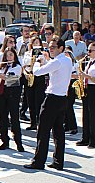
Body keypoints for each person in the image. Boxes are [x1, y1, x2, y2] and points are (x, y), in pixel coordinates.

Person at [24, 37, 73, 170]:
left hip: (52, 98)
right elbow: (53, 68)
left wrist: (37, 62)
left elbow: (37, 72)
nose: (50, 49)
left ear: (61, 48)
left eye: (53, 47)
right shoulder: (67, 60)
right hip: (62, 97)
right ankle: (58, 161)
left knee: (43, 131)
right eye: (49, 47)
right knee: (58, 131)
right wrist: (46, 61)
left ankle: (39, 161)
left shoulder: (57, 61)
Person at [0, 47, 24, 151]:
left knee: (14, 118)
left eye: (11, 55)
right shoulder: (2, 67)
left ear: (14, 56)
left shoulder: (17, 67)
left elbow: (7, 78)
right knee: (2, 117)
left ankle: (18, 142)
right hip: (1, 93)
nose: (9, 57)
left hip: (12, 93)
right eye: (7, 55)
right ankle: (5, 141)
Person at [77, 42, 95, 148]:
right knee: (85, 114)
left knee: (93, 114)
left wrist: (87, 76)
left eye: (90, 51)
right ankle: (85, 138)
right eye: (88, 50)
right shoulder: (90, 62)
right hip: (87, 88)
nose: (88, 53)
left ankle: (93, 139)